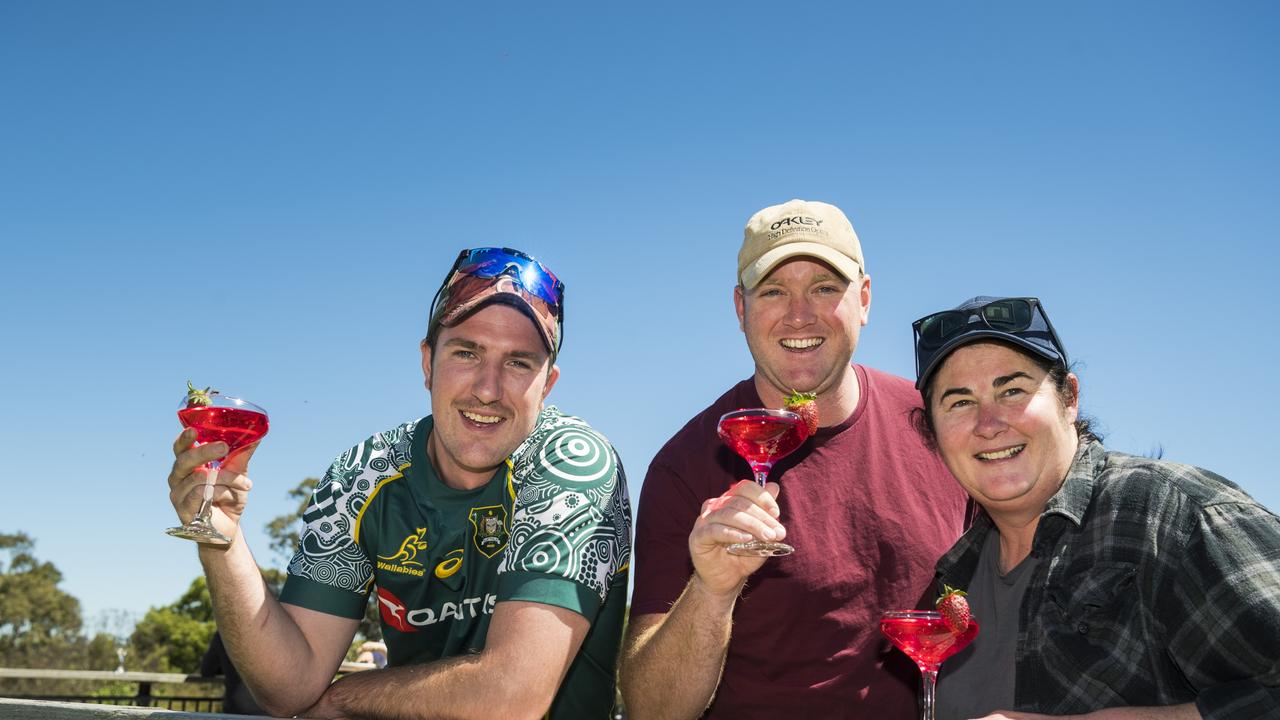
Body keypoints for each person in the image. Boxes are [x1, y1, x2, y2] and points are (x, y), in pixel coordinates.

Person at [166, 247, 632, 720]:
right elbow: (288, 687)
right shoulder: (362, 474)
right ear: (427, 362)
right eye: (466, 352)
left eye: (518, 363)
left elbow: (511, 699)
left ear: (547, 384)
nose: (488, 390)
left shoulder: (575, 462)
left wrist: (343, 698)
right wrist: (223, 542)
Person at [621, 199, 970, 718]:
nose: (799, 314)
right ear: (741, 309)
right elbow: (652, 708)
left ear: (865, 300)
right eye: (774, 291)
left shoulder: (941, 424)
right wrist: (712, 593)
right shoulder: (686, 465)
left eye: (826, 288)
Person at [911, 295, 1280, 719]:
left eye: (1013, 390)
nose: (989, 424)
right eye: (960, 402)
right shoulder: (953, 577)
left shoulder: (1171, 514)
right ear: (933, 433)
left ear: (1069, 398)